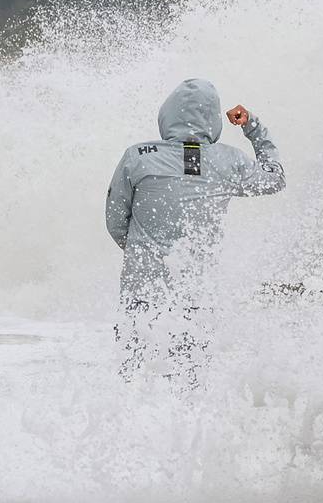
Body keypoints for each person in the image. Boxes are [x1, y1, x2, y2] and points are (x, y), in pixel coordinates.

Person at [105, 79, 285, 362]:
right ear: (213, 119)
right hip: (196, 296)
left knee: (133, 376)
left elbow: (115, 219)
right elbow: (275, 179)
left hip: (141, 291)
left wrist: (141, 252)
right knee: (191, 381)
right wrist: (252, 126)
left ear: (166, 114)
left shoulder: (138, 156)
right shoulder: (228, 160)